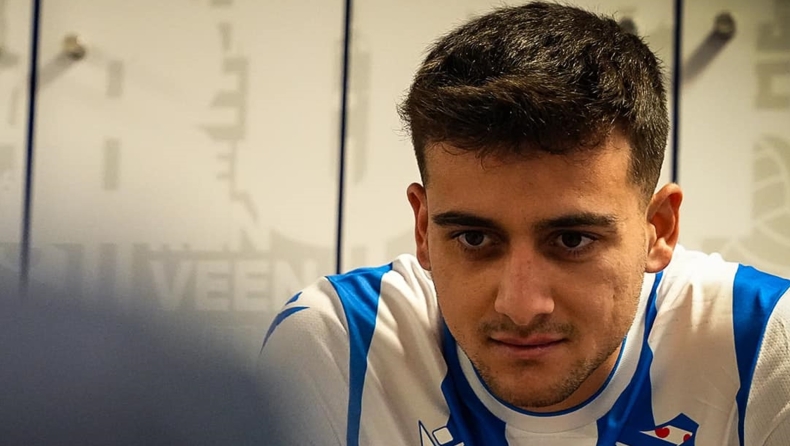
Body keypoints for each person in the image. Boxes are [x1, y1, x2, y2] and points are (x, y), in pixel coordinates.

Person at [258, 2, 790, 445]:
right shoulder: (339, 345)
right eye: (474, 238)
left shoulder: (767, 346)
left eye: (572, 240)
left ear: (659, 228)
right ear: (423, 230)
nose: (521, 305)